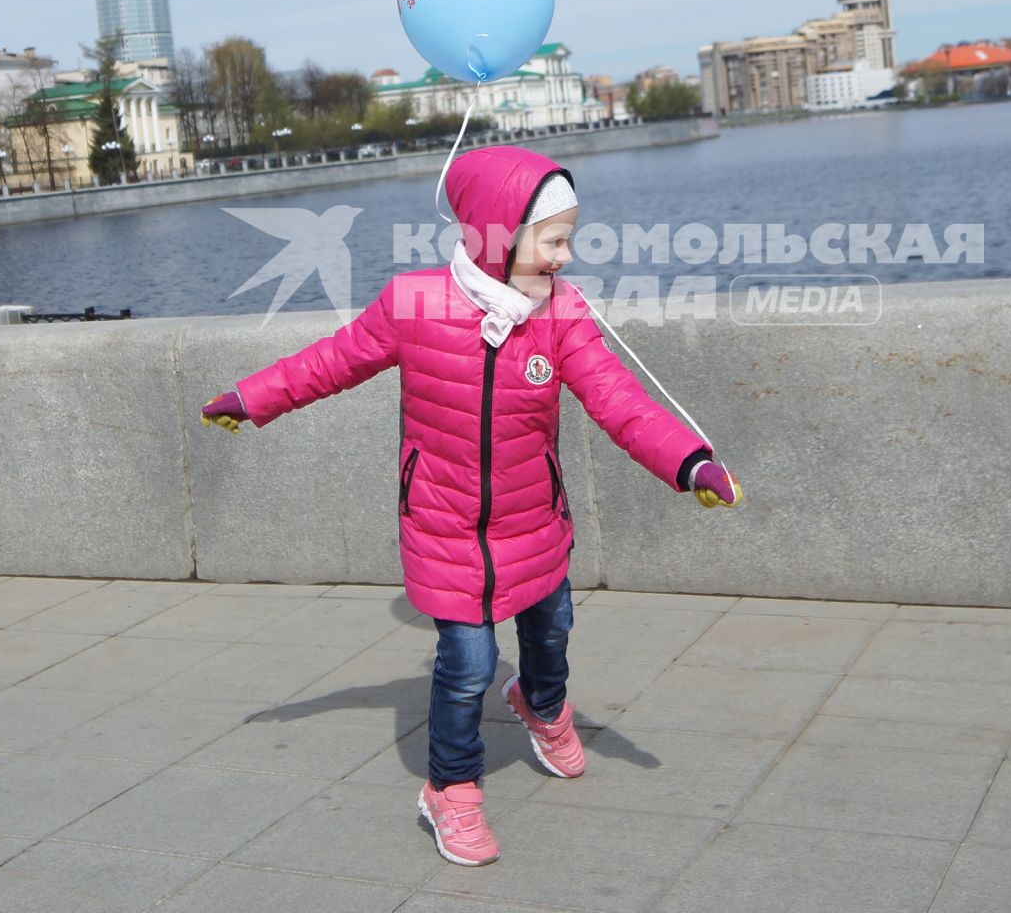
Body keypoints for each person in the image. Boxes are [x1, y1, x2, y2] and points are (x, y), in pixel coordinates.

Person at [199, 144, 737, 867]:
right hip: (443, 523)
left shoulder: (562, 314)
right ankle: (451, 792)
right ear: (498, 232)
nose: (565, 256)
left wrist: (689, 461)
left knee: (551, 636)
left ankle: (544, 707)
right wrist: (252, 398)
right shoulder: (414, 303)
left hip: (532, 520)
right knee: (466, 664)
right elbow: (332, 361)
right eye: (553, 239)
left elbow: (621, 402)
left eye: (568, 238)